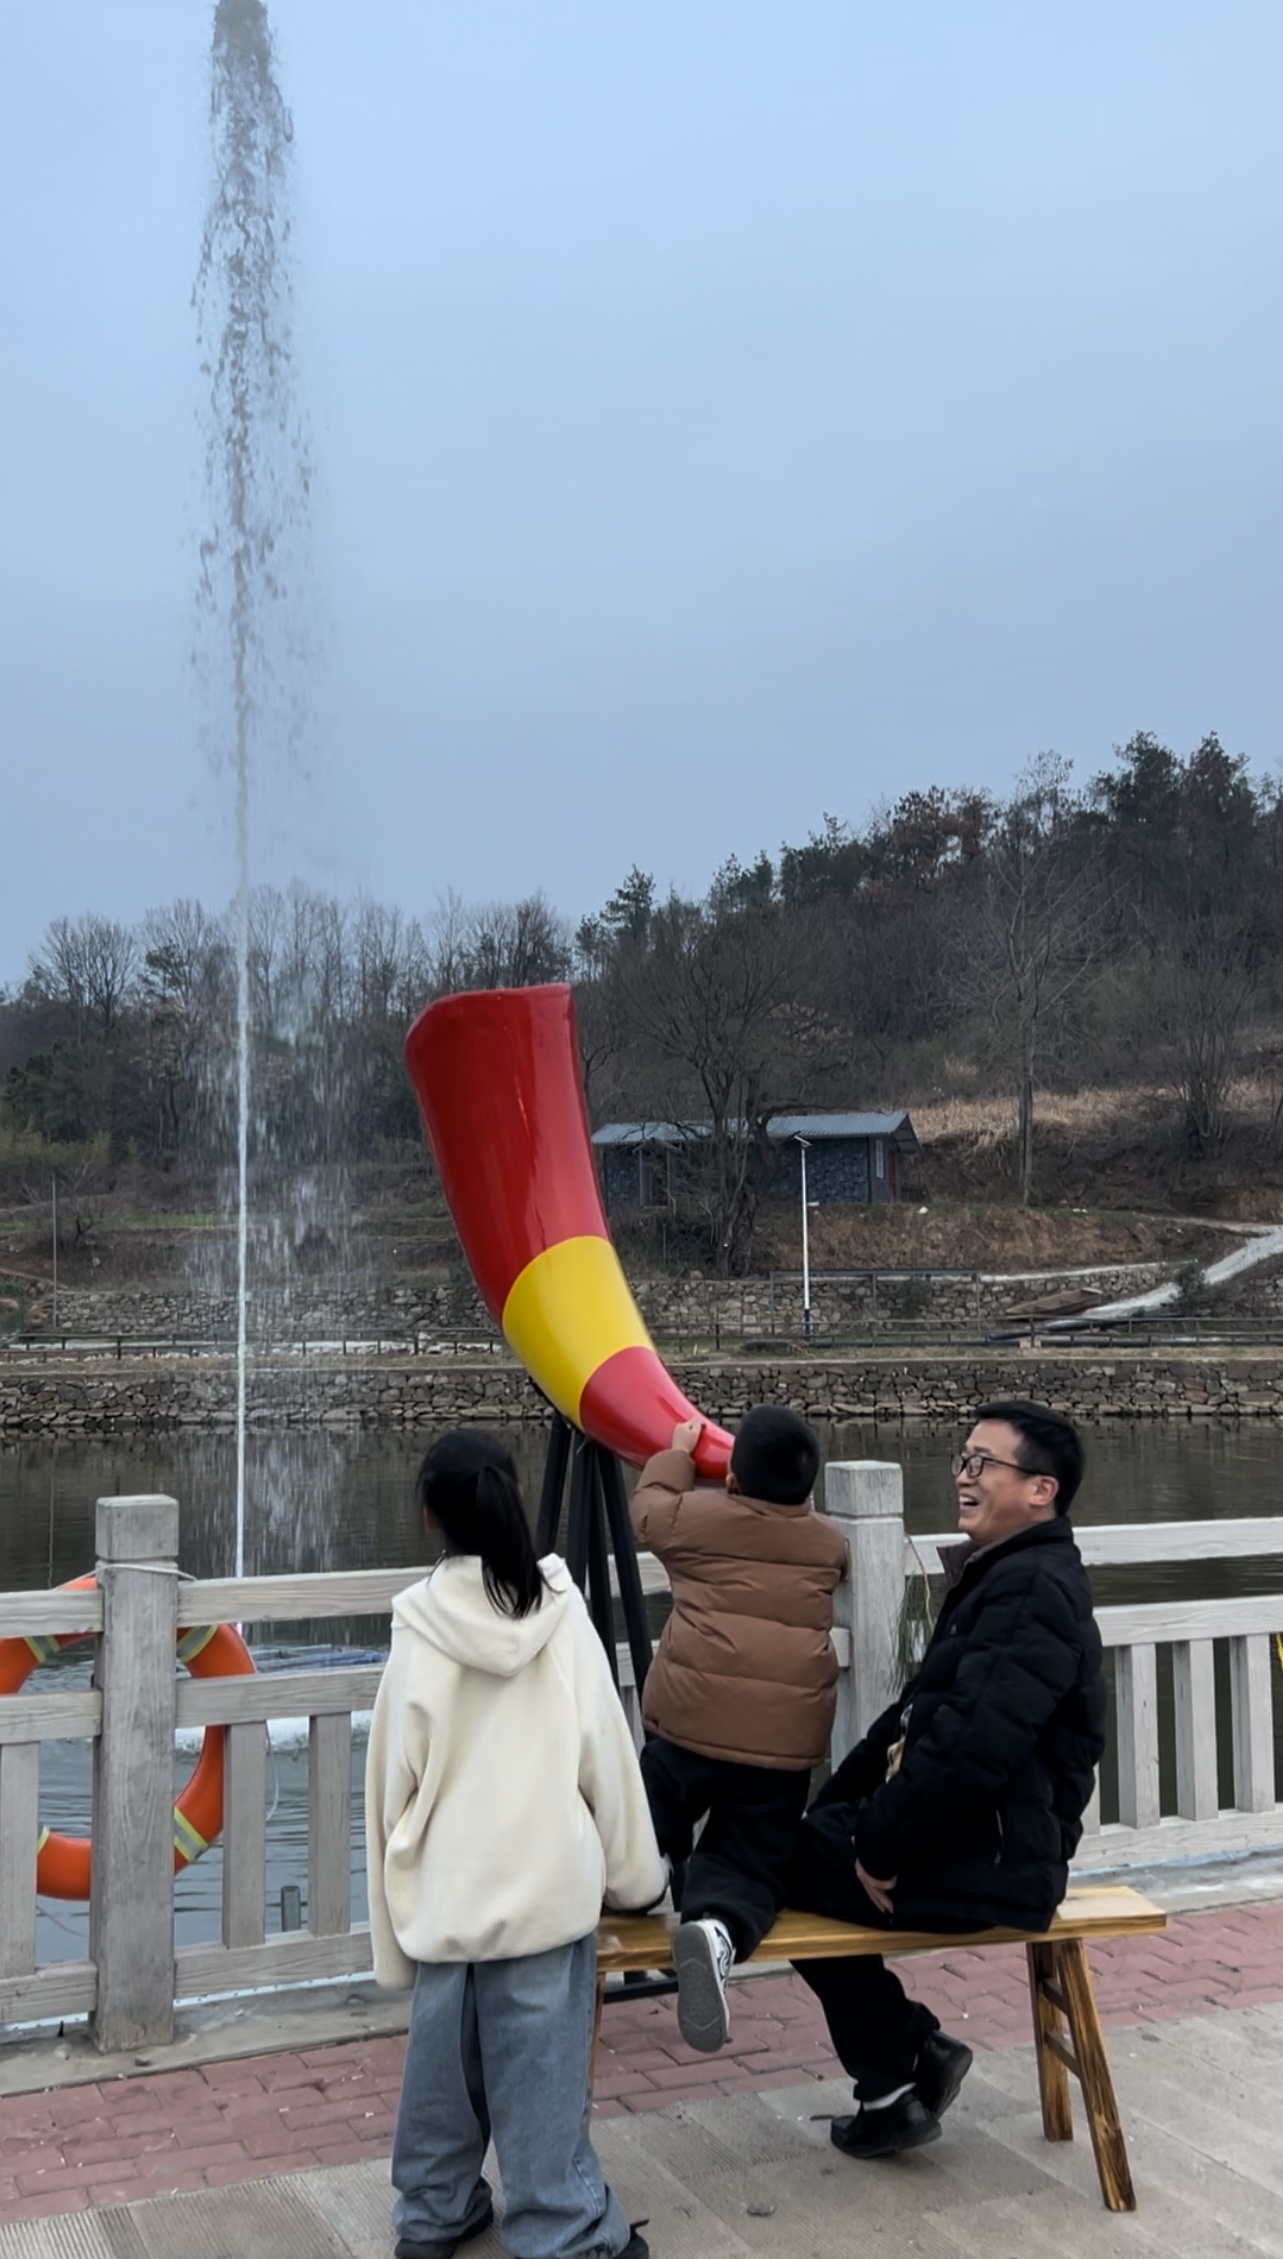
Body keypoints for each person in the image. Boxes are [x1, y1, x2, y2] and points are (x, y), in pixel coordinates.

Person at [366, 1430, 665, 2259]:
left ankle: (433, 2212)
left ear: (430, 1516)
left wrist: (390, 1931)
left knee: (440, 2073)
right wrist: (639, 1880)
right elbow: (607, 1759)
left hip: (445, 1889)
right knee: (542, 2071)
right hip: (544, 1883)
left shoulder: (416, 1624)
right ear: (514, 1495)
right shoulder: (558, 1613)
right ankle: (561, 2225)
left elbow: (390, 1784)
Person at [785, 1398, 1107, 2161]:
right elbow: (909, 1717)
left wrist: (876, 1845)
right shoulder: (1003, 1578)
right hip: (977, 1844)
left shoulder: (1031, 1592)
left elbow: (970, 1748)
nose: (962, 1475)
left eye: (981, 1463)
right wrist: (839, 1812)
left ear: (1040, 1489)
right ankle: (896, 2070)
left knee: (766, 1859)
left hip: (999, 1862)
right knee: (787, 1849)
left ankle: (901, 2063)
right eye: (962, 1459)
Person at [630, 1405, 848, 2053]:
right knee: (751, 1861)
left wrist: (677, 1455)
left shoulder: (694, 1518)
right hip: (779, 1747)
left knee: (648, 1815)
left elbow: (648, 1510)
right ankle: (718, 1930)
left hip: (686, 1724)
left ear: (730, 1478)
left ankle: (632, 1882)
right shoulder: (828, 1544)